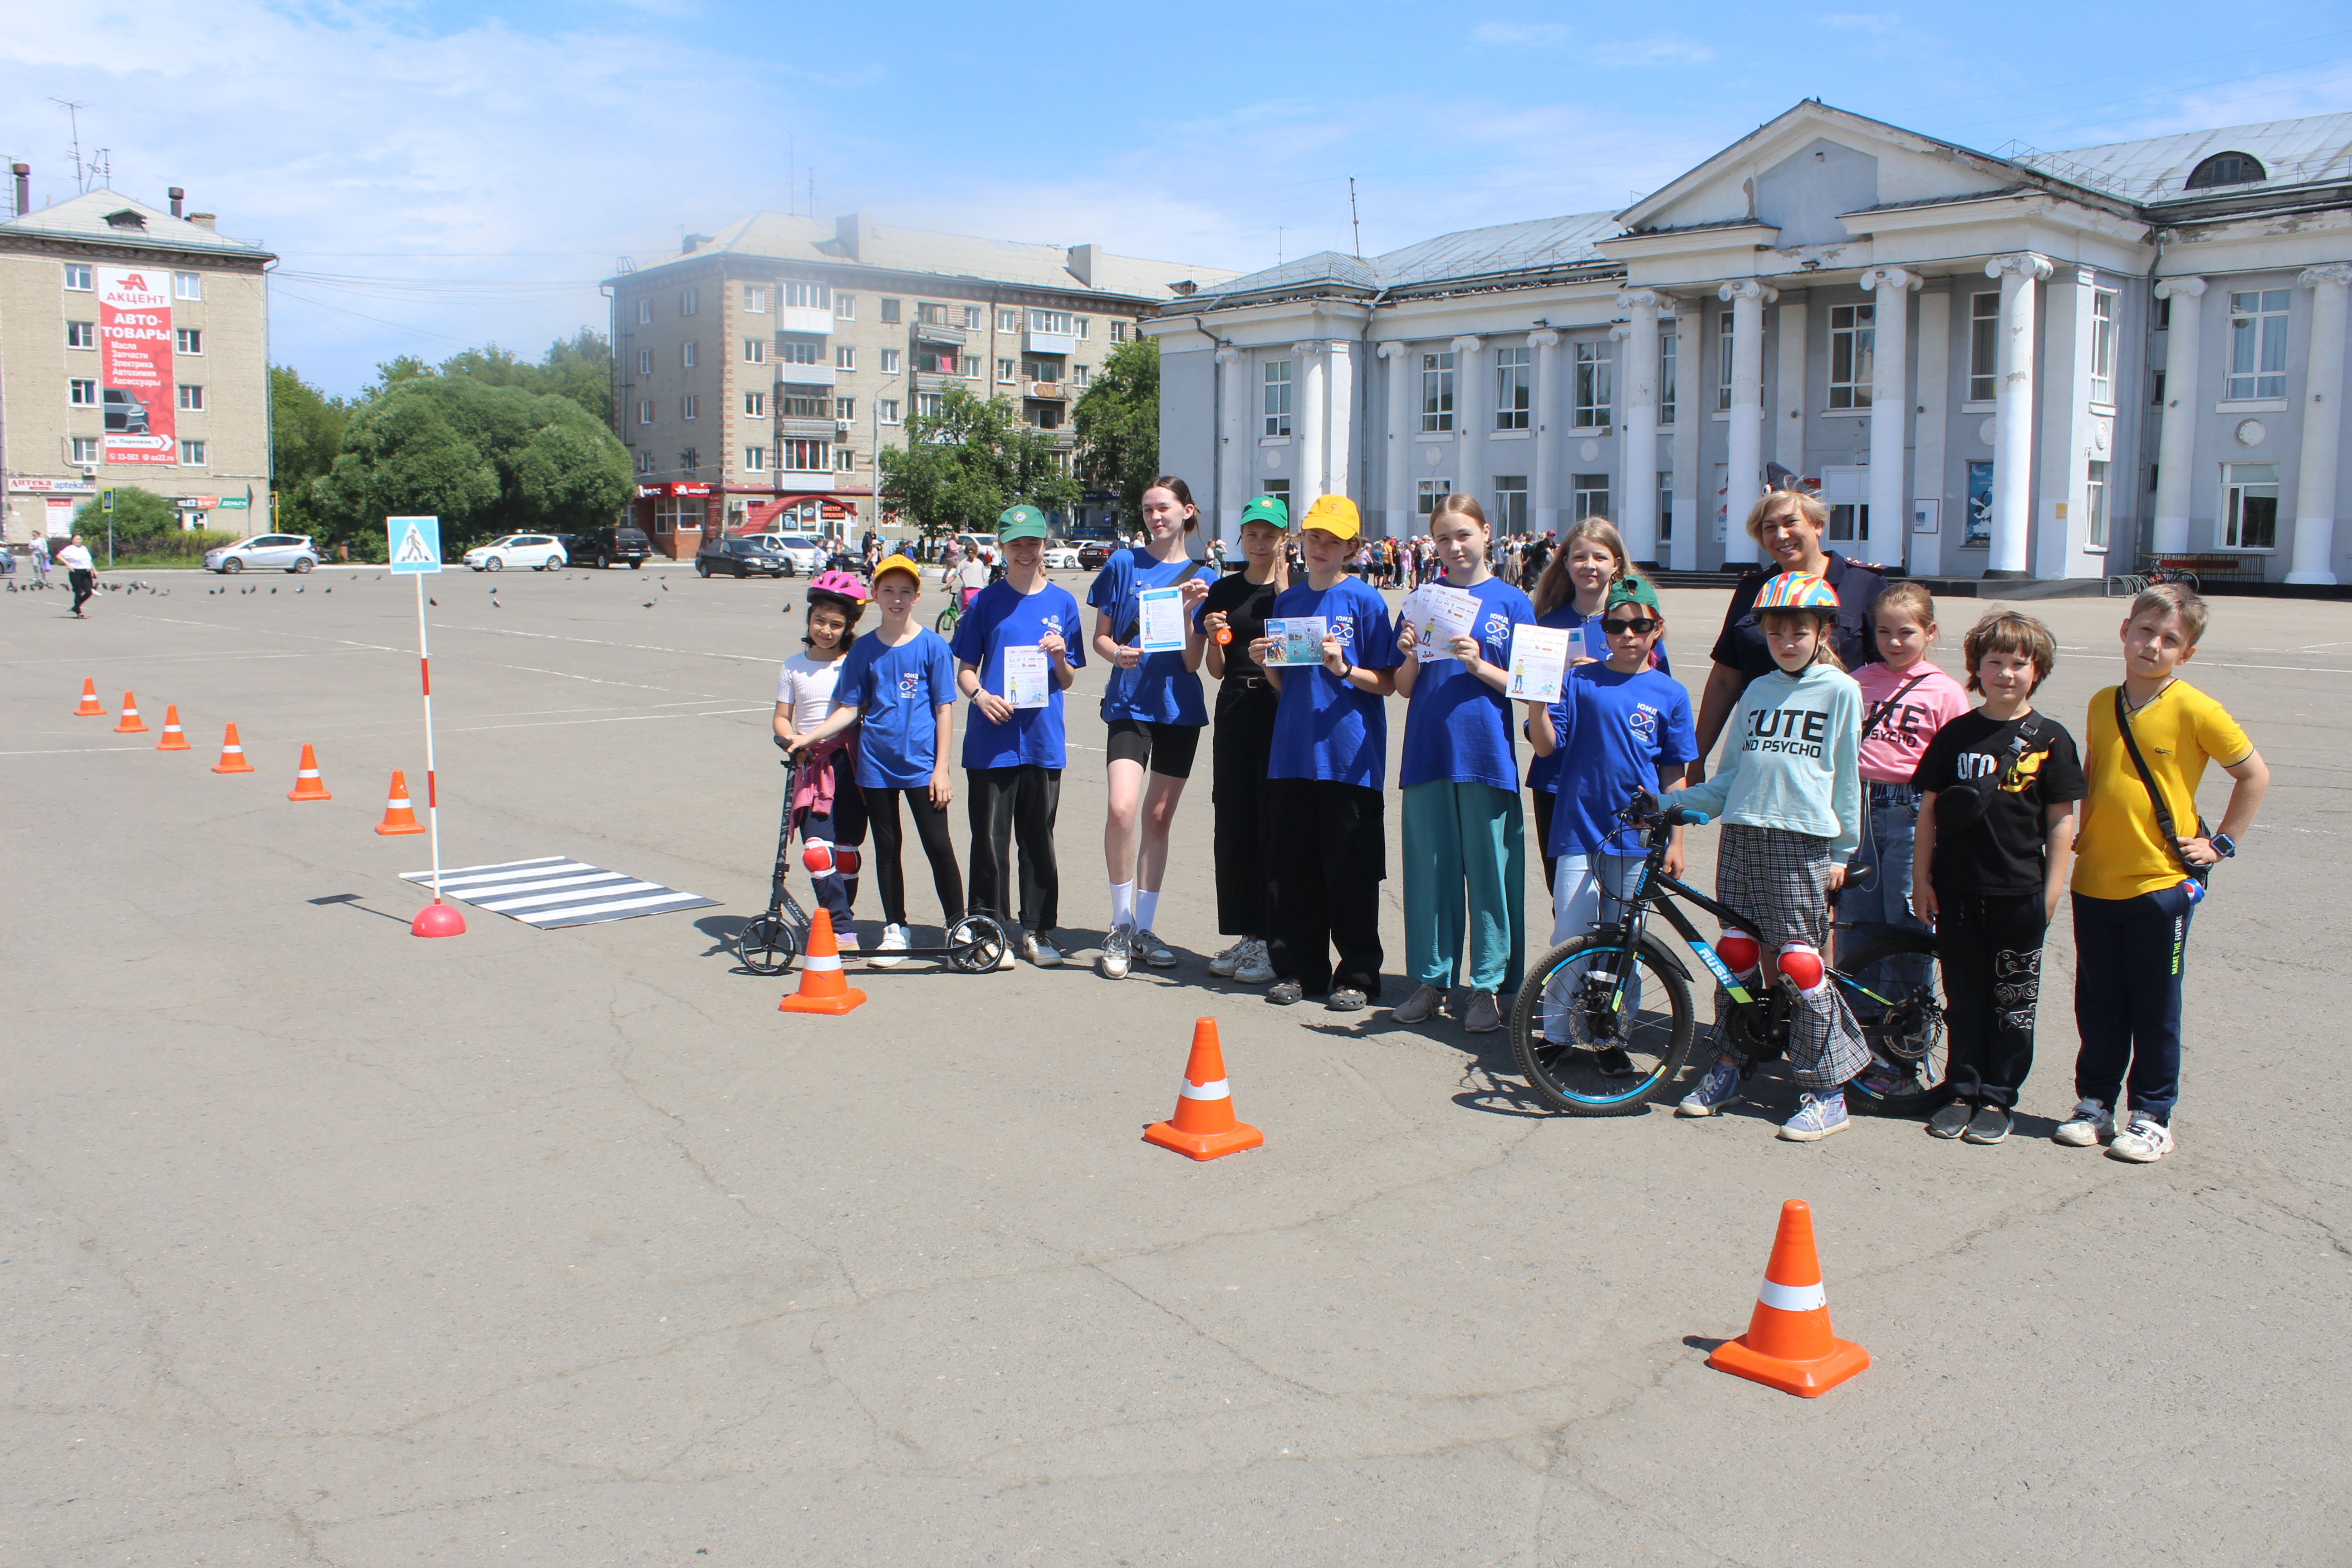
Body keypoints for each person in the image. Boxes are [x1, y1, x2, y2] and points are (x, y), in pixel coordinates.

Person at [2058, 585, 2270, 1164]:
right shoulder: (2104, 702)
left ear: (2187, 653)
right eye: (2145, 631)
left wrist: (2220, 844)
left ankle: (2152, 1114)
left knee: (2155, 1004)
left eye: (2170, 639)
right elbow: (2097, 773)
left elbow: (2254, 775)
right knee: (2098, 1001)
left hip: (2161, 886)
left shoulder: (2196, 708)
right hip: (2096, 879)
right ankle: (2095, 1103)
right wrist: (2077, 830)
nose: (2153, 645)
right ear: (2125, 630)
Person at [1670, 572, 1869, 1141]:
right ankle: (1730, 1064)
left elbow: (1848, 778)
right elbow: (1730, 778)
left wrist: (1842, 850)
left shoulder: (1839, 690)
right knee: (1734, 956)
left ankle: (1826, 1090)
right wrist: (1674, 804)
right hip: (1744, 833)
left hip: (1802, 841)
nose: (1786, 641)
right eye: (1776, 631)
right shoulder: (1757, 691)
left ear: (1821, 631)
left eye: (1798, 631)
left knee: (1799, 965)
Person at [1910, 610, 2082, 1144]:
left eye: (2019, 664)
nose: (2006, 674)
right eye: (1995, 663)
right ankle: (1961, 1090)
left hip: (2020, 892)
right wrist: (1922, 881)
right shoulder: (1957, 734)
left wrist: (2051, 893)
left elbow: (2060, 822)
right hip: (1958, 890)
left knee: (2013, 1003)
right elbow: (1929, 814)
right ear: (1976, 669)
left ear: (2038, 671)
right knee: (1962, 997)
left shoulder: (2051, 740)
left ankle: (1998, 1097)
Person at [1527, 577, 1696, 1068]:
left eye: (1639, 626)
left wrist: (1676, 840)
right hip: (1580, 830)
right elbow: (1544, 745)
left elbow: (1674, 775)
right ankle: (1558, 1030)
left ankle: (1612, 1035)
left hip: (1637, 838)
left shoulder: (1670, 694)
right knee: (1571, 937)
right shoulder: (1579, 682)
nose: (1628, 635)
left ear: (1656, 629)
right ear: (1604, 629)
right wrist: (1537, 697)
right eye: (1617, 625)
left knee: (1628, 943)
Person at [1388, 495, 1539, 1035]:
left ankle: (1490, 987)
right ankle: (1432, 980)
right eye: (1444, 539)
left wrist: (1480, 665)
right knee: (1431, 874)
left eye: (1464, 535)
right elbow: (1403, 688)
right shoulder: (1420, 601)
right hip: (1429, 752)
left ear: (1486, 534)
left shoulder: (1512, 602)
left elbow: (1532, 686)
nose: (1455, 547)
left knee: (1491, 877)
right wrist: (1408, 651)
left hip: (1487, 755)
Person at [1249, 495, 1399, 1011]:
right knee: (1294, 868)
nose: (1321, 548)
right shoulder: (1287, 603)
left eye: (1333, 541)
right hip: (1292, 754)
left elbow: (1386, 683)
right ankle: (1299, 969)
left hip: (1348, 755)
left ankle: (1357, 972)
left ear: (1353, 548)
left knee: (1350, 871)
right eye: (1314, 537)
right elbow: (1282, 684)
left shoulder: (1365, 602)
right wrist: (1264, 660)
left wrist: (1343, 668)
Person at [793, 553, 962, 966]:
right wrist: (809, 738)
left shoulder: (933, 646)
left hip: (922, 767)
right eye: (889, 590)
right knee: (888, 848)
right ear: (875, 594)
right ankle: (895, 929)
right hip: (876, 767)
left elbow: (944, 709)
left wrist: (942, 769)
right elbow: (849, 708)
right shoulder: (864, 650)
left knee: (938, 846)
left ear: (917, 596)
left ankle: (961, 927)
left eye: (905, 591)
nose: (897, 599)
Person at [1086, 475, 1213, 978]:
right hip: (1129, 703)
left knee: (1158, 820)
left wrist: (1186, 612)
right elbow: (1101, 639)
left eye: (1164, 509)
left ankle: (1145, 929)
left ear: (1188, 510)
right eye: (1147, 510)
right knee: (1121, 810)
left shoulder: (1203, 576)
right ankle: (1120, 923)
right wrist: (1119, 652)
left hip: (1178, 708)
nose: (1155, 518)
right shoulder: (1123, 564)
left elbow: (1191, 664)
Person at [952, 505, 1084, 968]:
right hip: (993, 740)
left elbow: (1068, 681)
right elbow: (965, 670)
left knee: (1038, 838)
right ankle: (989, 928)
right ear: (1002, 549)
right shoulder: (985, 602)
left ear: (1044, 546)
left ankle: (1037, 929)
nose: (1026, 552)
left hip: (1043, 739)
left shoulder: (1063, 604)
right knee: (989, 839)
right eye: (1017, 544)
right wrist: (981, 696)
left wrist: (1060, 656)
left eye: (1033, 543)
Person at [1690, 490, 1885, 788]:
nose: (1781, 535)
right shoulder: (1754, 589)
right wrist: (1697, 758)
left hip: (1832, 759)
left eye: (1791, 523)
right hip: (1760, 752)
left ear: (1818, 525)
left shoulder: (1864, 584)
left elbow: (1889, 674)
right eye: (1770, 528)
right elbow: (1725, 680)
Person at [1838, 583, 1970, 997]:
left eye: (1906, 632)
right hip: (1855, 803)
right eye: (1883, 632)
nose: (1894, 643)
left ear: (1930, 632)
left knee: (1907, 916)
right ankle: (1859, 1036)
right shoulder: (1857, 682)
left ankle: (1903, 1037)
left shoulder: (1944, 691)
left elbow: (1955, 765)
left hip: (1911, 808)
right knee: (1856, 919)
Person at [1523, 518, 1667, 892]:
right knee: (1569, 895)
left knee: (1623, 901)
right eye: (1580, 557)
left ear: (1616, 564)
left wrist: (1606, 673)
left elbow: (1659, 694)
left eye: (1600, 557)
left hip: (1621, 780)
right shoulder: (1546, 623)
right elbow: (1530, 694)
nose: (1590, 565)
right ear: (1565, 562)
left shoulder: (1637, 624)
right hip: (1557, 776)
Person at [1198, 496, 1291, 988]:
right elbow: (1217, 671)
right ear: (1241, 538)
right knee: (1233, 821)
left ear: (1284, 539)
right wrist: (1215, 637)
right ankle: (1246, 932)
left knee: (1272, 822)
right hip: (1235, 705)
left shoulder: (1291, 593)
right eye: (1252, 533)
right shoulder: (1225, 590)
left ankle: (1273, 937)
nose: (1259, 542)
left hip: (1279, 708)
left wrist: (1283, 587)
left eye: (1269, 534)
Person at [772, 571, 873, 956]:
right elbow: (782, 717)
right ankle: (842, 928)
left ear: (848, 627)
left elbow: (855, 710)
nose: (826, 630)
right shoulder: (793, 666)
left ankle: (839, 917)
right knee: (816, 850)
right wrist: (789, 740)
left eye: (836, 624)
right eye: (820, 621)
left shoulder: (852, 662)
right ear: (809, 619)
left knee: (845, 853)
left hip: (851, 763)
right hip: (812, 764)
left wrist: (806, 737)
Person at [59, 533, 97, 618]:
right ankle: (79, 612)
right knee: (78, 592)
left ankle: (76, 607)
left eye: (80, 539)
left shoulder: (84, 549)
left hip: (86, 572)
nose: (79, 541)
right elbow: (59, 556)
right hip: (76, 572)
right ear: (72, 540)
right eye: (77, 539)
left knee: (89, 592)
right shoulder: (70, 549)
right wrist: (68, 564)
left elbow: (89, 561)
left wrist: (94, 571)